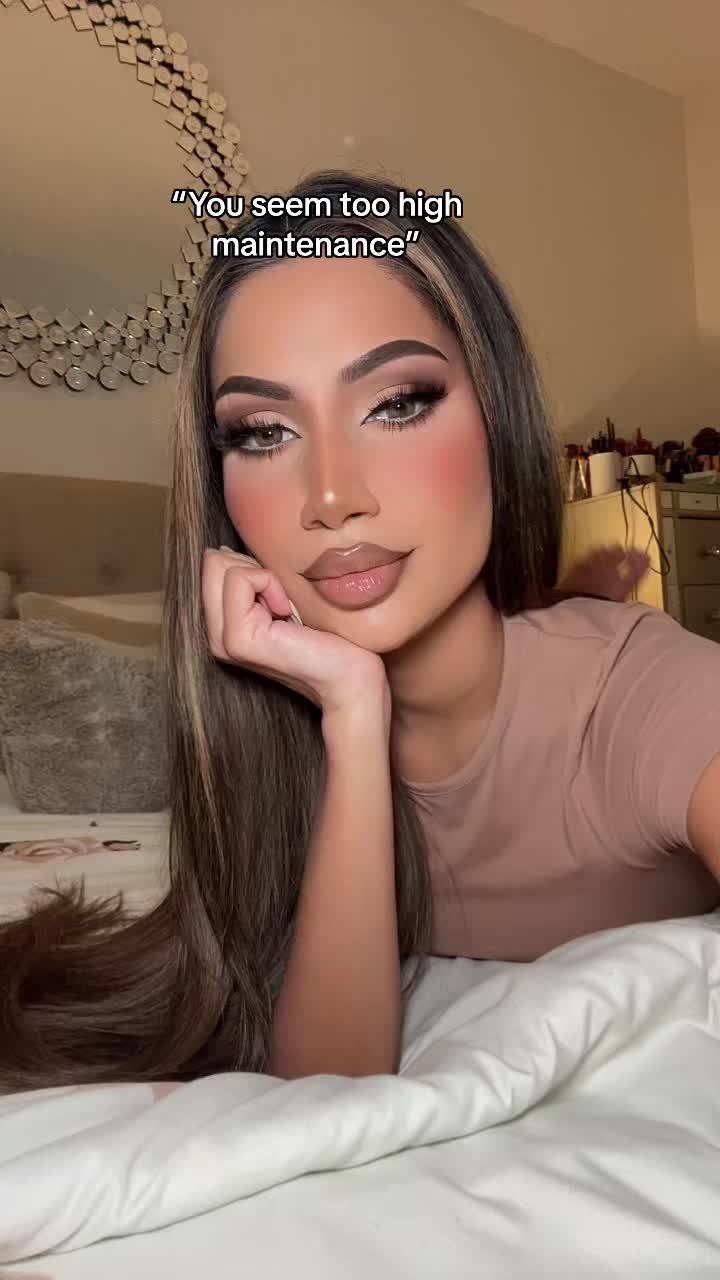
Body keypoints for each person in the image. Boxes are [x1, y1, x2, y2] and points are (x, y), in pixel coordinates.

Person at [1, 171, 718, 1092]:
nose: (333, 496)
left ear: (496, 415)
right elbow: (330, 1089)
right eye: (263, 433)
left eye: (398, 402)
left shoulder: (642, 698)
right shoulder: (266, 756)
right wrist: (353, 713)